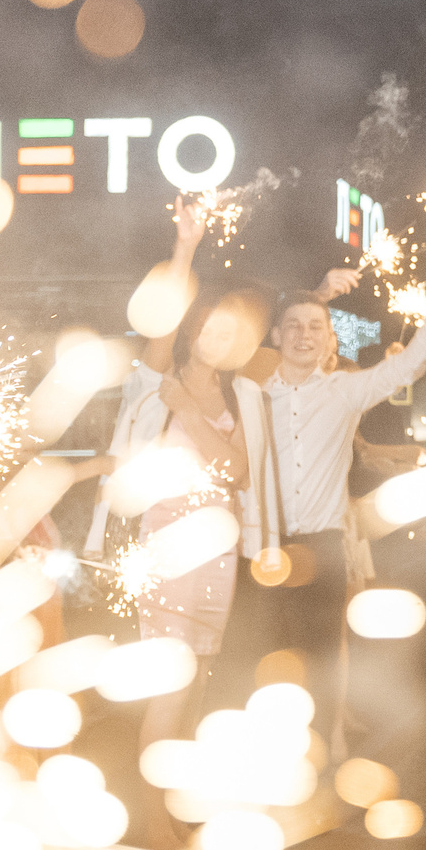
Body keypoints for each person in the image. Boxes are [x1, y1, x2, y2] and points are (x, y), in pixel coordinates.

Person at [246, 273, 426, 735]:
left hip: (323, 547)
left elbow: (407, 367)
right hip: (266, 545)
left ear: (328, 340)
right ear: (278, 337)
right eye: (295, 326)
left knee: (324, 657)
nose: (305, 335)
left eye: (315, 327)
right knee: (271, 661)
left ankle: (324, 754)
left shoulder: (344, 392)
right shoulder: (255, 395)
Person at [91, 291, 267, 743]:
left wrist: (189, 407)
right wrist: (185, 245)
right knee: (170, 676)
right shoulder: (157, 383)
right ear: (192, 330)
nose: (214, 341)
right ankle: (153, 812)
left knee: (200, 674)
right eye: (208, 329)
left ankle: (173, 789)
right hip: (167, 540)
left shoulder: (242, 394)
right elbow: (159, 323)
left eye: (227, 334)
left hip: (218, 544)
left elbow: (236, 471)